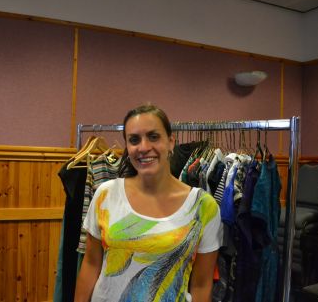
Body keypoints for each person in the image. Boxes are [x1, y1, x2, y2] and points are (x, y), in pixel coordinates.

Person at [74, 104, 222, 302]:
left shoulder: (203, 207)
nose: (143, 147)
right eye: (134, 140)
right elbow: (91, 264)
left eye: (153, 137)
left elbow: (202, 284)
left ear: (171, 142)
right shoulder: (106, 194)